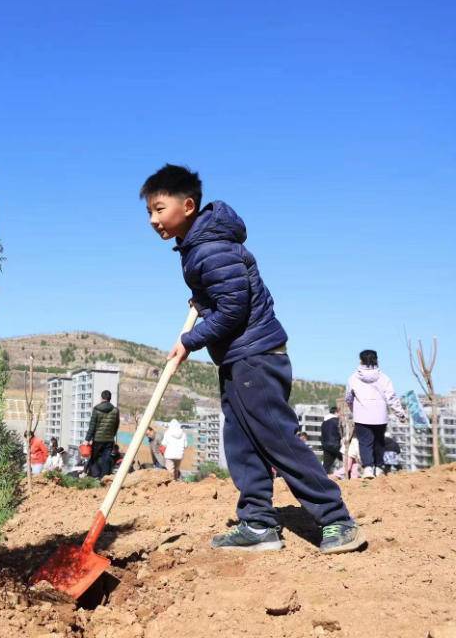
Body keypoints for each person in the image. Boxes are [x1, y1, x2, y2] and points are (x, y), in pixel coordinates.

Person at [141, 164, 362, 554]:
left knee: (278, 439)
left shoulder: (208, 248)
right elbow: (225, 296)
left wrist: (190, 341)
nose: (153, 220)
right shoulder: (199, 247)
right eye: (149, 212)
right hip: (239, 357)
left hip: (255, 356)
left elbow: (234, 309)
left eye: (159, 209)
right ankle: (258, 523)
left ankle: (336, 519)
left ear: (187, 205)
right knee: (241, 443)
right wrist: (203, 300)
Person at [345, 350, 406, 479]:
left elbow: (349, 398)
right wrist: (400, 414)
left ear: (360, 361)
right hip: (380, 416)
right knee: (379, 442)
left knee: (365, 442)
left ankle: (368, 468)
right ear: (377, 360)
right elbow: (392, 397)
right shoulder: (384, 378)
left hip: (361, 416)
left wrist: (354, 409)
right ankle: (378, 468)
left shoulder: (353, 378)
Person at [84, 390, 121, 479]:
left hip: (97, 440)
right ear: (110, 399)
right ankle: (104, 478)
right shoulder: (115, 410)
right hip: (109, 440)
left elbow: (92, 426)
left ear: (101, 398)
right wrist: (112, 435)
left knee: (94, 458)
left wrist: (87, 439)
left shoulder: (96, 409)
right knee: (106, 459)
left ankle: (94, 476)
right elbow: (116, 425)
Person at [320, 407, 343, 474]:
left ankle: (321, 479)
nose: (340, 414)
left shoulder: (324, 422)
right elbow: (341, 432)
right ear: (336, 412)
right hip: (335, 445)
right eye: (340, 413)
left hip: (325, 445)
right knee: (347, 461)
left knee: (326, 465)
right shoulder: (337, 421)